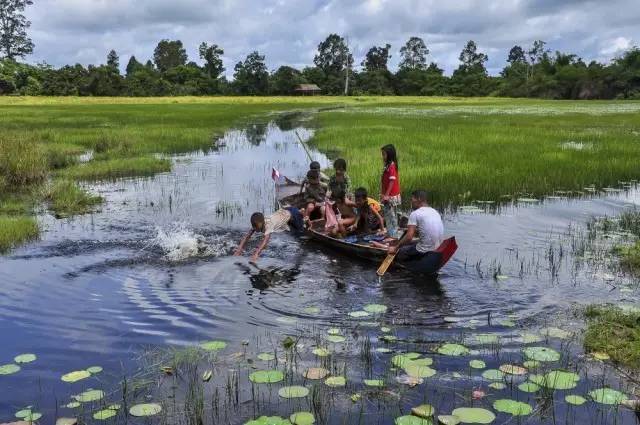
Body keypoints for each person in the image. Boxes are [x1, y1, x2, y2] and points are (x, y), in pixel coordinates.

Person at [388, 190, 443, 269]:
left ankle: (405, 267)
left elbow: (409, 237)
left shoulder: (415, 213)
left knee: (401, 250)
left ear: (419, 199)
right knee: (411, 242)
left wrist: (396, 248)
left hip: (424, 249)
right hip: (437, 247)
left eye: (412, 199)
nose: (411, 202)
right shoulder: (434, 211)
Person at [234, 207, 305, 262]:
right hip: (284, 211)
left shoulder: (269, 225)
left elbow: (265, 240)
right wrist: (239, 248)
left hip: (293, 215)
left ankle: (303, 214)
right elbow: (247, 236)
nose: (255, 229)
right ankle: (300, 212)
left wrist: (256, 254)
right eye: (253, 226)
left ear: (262, 223)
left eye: (256, 227)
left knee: (301, 231)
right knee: (289, 225)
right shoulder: (257, 223)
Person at [380, 144, 401, 238]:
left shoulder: (391, 165)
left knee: (392, 216)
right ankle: (390, 233)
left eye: (384, 154)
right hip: (388, 195)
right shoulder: (388, 165)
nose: (382, 157)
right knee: (388, 215)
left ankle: (393, 236)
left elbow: (392, 181)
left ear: (389, 154)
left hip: (391, 196)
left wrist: (386, 195)